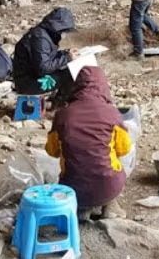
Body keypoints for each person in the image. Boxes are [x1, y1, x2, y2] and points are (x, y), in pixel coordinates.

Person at [45, 66, 131, 221]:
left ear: (76, 86)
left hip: (73, 188)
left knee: (76, 176)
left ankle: (81, 210)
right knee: (114, 163)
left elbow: (52, 152)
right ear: (103, 86)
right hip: (108, 186)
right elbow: (124, 149)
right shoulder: (112, 114)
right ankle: (109, 206)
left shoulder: (63, 115)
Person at [12, 7, 78, 96]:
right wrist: (67, 58)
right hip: (29, 83)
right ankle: (61, 102)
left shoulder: (43, 34)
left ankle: (58, 101)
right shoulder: (40, 39)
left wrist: (65, 53)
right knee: (72, 73)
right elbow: (43, 68)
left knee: (69, 69)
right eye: (64, 30)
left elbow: (46, 57)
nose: (64, 33)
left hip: (33, 77)